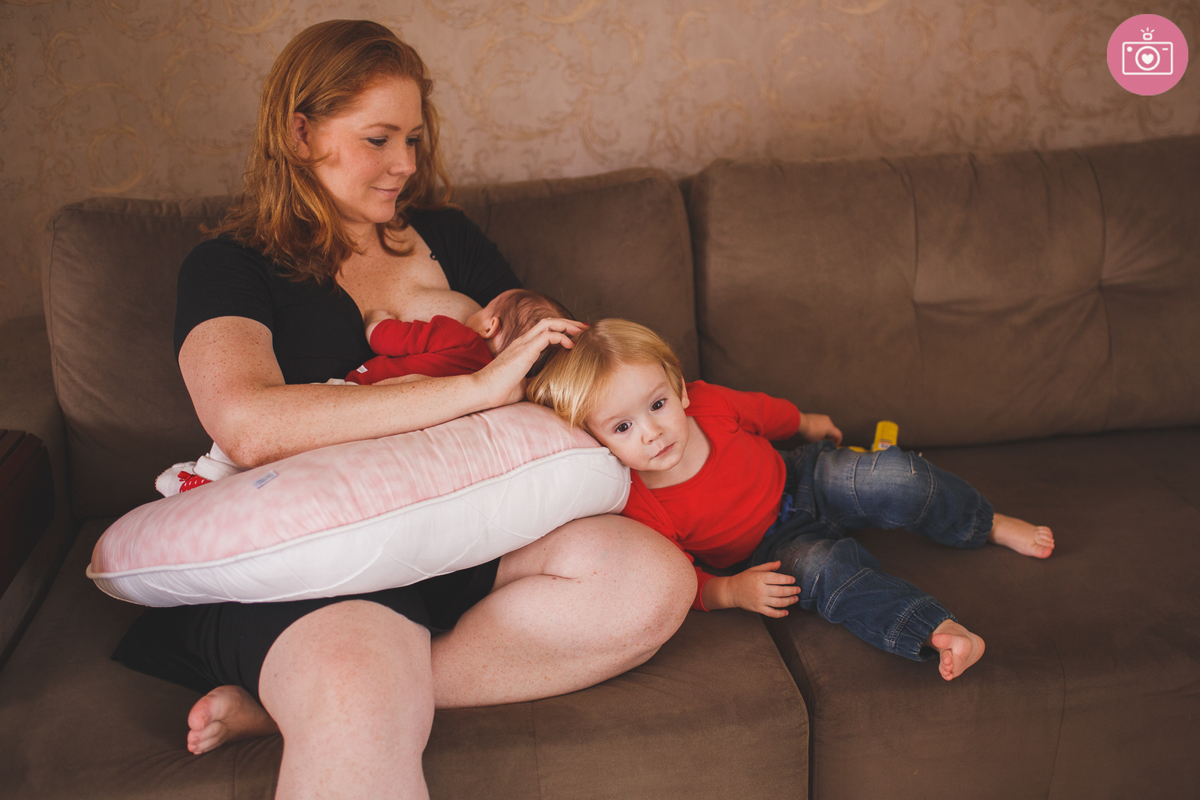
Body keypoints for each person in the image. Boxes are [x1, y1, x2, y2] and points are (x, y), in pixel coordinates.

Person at [112, 21, 693, 800]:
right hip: (319, 566)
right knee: (357, 691)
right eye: (379, 138)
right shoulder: (230, 265)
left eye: (415, 139)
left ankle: (292, 707)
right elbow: (246, 424)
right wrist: (470, 391)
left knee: (653, 581)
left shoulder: (447, 234)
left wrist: (530, 317)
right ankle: (334, 696)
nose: (406, 165)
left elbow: (532, 339)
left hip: (460, 532)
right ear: (300, 131)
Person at [527, 318, 1055, 682]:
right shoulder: (639, 504)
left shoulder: (710, 405)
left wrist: (807, 423)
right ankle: (938, 631)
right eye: (623, 426)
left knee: (895, 477)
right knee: (834, 578)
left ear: (681, 391)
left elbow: (767, 412)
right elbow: (678, 576)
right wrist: (729, 591)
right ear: (599, 442)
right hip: (774, 550)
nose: (652, 432)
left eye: (659, 404)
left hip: (802, 477)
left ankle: (982, 523)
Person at [156, 288, 571, 495]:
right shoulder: (496, 385)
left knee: (291, 420)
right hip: (392, 434)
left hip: (358, 393)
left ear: (490, 325)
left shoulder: (459, 335)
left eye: (483, 306)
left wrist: (378, 318)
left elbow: (389, 340)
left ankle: (206, 478)